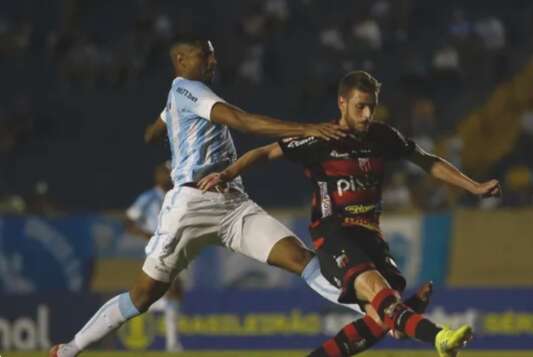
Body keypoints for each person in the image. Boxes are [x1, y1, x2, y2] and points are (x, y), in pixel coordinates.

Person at [48, 36, 355, 357]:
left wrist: (159, 129)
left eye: (213, 56)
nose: (213, 62)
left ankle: (379, 315)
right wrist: (309, 129)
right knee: (142, 296)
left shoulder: (178, 96)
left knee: (300, 259)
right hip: (191, 206)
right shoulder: (188, 89)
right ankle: (69, 350)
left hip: (233, 203)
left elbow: (153, 130)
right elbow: (243, 122)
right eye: (204, 56)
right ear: (180, 61)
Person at [199, 70, 501, 357]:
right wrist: (227, 174)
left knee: (383, 319)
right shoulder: (321, 138)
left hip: (370, 235)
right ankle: (439, 337)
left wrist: (473, 187)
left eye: (372, 107)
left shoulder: (382, 136)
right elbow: (264, 152)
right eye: (360, 107)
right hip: (334, 235)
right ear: (342, 103)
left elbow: (426, 161)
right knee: (385, 300)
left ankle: (406, 322)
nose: (367, 115)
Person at [124, 161, 183, 352]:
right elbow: (128, 221)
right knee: (172, 290)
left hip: (174, 247)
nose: (170, 175)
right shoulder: (148, 198)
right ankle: (173, 344)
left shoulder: (177, 195)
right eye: (166, 172)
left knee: (171, 292)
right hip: (158, 248)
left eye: (171, 172)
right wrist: (149, 235)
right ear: (159, 175)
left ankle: (136, 308)